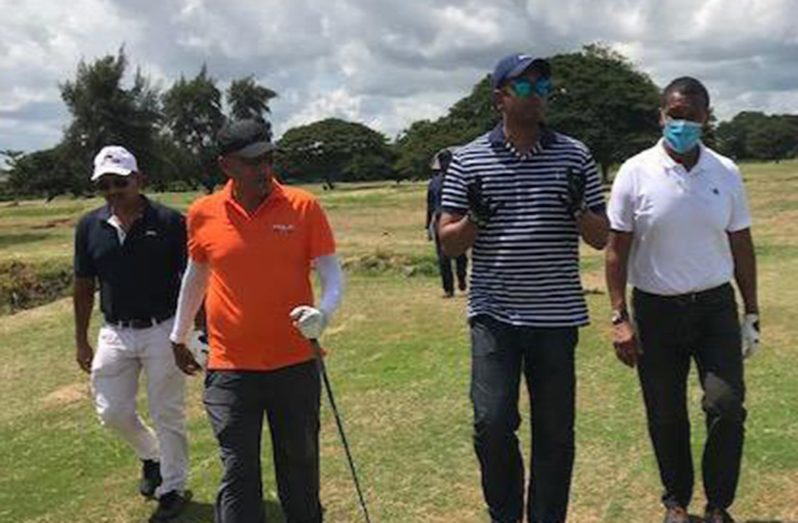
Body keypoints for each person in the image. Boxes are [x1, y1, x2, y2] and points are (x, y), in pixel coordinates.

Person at [439, 53, 609, 523]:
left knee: (555, 433)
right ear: (500, 98)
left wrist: (580, 209)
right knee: (491, 424)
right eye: (527, 87)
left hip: (555, 317)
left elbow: (601, 237)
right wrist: (476, 219)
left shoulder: (575, 155)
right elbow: (448, 243)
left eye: (544, 88)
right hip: (495, 317)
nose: (539, 96)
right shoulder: (468, 159)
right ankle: (506, 514)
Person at [169, 118, 344, 523]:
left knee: (300, 467)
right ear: (226, 165)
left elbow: (332, 273)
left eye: (268, 158)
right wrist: (179, 335)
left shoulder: (302, 206)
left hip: (295, 361)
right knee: (238, 468)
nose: (264, 169)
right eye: (252, 162)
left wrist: (325, 313)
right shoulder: (202, 213)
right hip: (230, 365)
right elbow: (197, 275)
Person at [605, 77, 759, 523]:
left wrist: (751, 311)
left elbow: (742, 245)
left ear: (707, 118)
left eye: (692, 116)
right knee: (665, 412)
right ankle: (675, 503)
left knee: (725, 405)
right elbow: (617, 250)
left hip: (714, 306)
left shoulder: (725, 171)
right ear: (661, 115)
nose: (683, 123)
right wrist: (620, 315)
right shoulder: (635, 171)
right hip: (655, 310)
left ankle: (717, 506)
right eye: (675, 115)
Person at [73, 145, 190, 521]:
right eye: (104, 184)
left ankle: (172, 486)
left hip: (163, 328)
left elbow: (193, 281)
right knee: (111, 411)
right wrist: (80, 338)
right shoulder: (90, 225)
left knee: (166, 411)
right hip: (115, 332)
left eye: (120, 182)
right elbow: (83, 283)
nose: (112, 190)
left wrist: (191, 331)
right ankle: (150, 455)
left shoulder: (171, 222)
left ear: (139, 180)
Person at [426, 147, 468, 297]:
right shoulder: (434, 183)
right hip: (438, 219)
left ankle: (461, 277)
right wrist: (427, 226)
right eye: (443, 161)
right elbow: (430, 205)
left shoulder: (459, 180)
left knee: (460, 254)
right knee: (442, 257)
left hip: (456, 217)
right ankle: (448, 289)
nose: (445, 164)